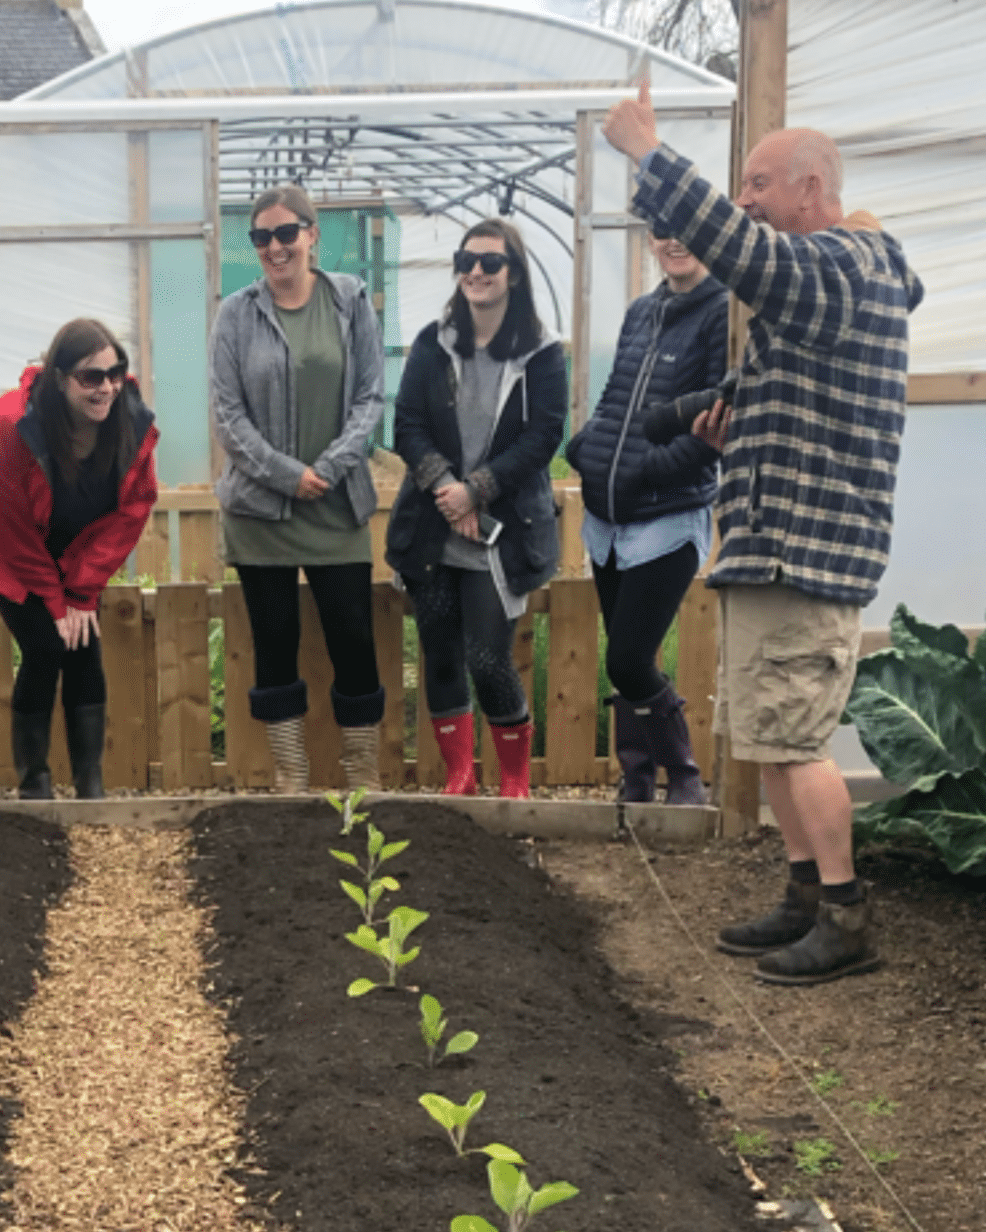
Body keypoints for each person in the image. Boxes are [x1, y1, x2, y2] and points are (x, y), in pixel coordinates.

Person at [602, 84, 922, 987]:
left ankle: (849, 914)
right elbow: (791, 396)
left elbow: (743, 253)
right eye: (739, 181)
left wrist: (651, 154)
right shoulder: (824, 285)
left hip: (807, 550)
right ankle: (806, 896)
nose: (744, 200)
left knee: (797, 740)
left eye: (759, 181)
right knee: (770, 737)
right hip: (772, 541)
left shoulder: (844, 268)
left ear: (812, 186)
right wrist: (731, 425)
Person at [209, 184, 388, 792]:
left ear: (312, 234)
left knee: (354, 643)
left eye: (287, 233)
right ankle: (293, 781)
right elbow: (228, 417)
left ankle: (361, 781)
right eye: (262, 238)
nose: (275, 248)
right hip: (261, 513)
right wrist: (288, 475)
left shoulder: (350, 301)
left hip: (337, 506)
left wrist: (331, 468)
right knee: (276, 645)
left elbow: (370, 397)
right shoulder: (236, 314)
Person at [385, 220, 568, 799]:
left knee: (488, 657)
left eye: (491, 262)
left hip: (502, 533)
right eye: (467, 259)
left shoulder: (542, 353)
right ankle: (460, 777)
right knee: (439, 655)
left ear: (514, 272)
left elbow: (544, 437)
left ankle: (514, 780)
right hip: (435, 527)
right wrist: (446, 488)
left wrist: (478, 489)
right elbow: (407, 425)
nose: (477, 271)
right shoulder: (431, 343)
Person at [0, 320, 160, 800]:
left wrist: (80, 590)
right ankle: (36, 782)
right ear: (59, 377)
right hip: (12, 549)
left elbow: (133, 508)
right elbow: (3, 522)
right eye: (90, 377)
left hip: (77, 551)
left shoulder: (131, 424)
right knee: (46, 647)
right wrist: (55, 601)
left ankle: (89, 785)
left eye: (116, 372)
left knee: (82, 647)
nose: (107, 387)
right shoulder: (15, 427)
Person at [566, 235, 729, 805]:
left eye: (688, 227)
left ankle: (683, 774)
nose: (673, 240)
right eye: (662, 228)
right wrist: (584, 447)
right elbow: (616, 397)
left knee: (628, 657)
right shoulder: (643, 310)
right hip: (609, 518)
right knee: (627, 656)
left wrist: (645, 469)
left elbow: (718, 421)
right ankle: (636, 776)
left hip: (668, 515)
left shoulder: (723, 313)